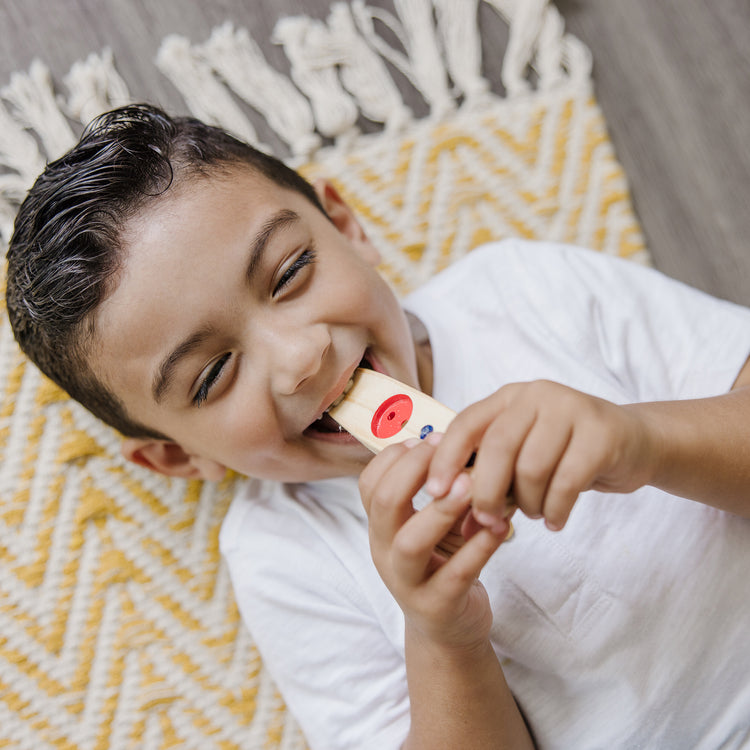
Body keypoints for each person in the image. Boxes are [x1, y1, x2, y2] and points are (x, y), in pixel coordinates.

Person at [6, 103, 750, 750]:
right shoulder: (281, 555)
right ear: (176, 456)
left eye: (290, 272)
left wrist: (638, 440)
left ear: (348, 227)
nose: (299, 358)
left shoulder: (519, 291)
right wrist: (444, 638)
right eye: (211, 376)